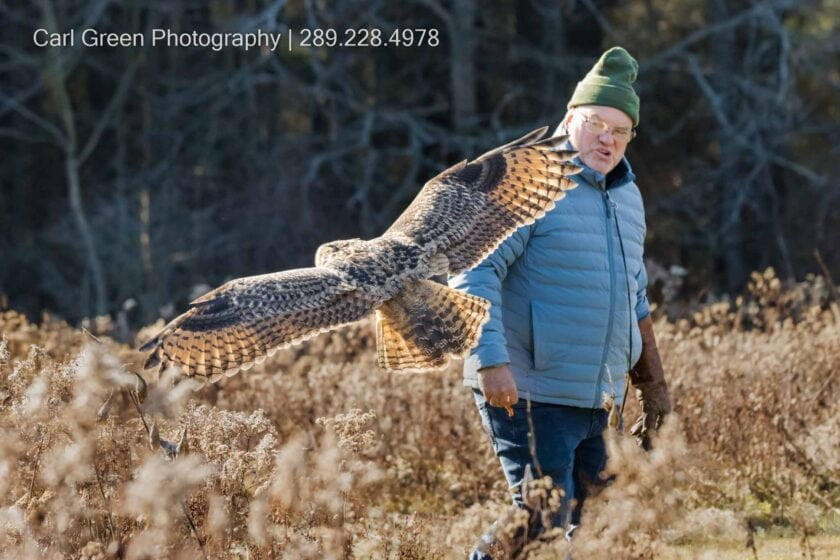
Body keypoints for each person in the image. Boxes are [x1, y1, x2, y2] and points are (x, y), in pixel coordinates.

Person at [448, 46, 672, 558]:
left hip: (598, 400)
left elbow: (634, 294)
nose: (607, 139)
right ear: (570, 119)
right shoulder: (525, 179)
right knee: (542, 518)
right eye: (596, 123)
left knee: (600, 523)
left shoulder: (627, 196)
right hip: (530, 391)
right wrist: (490, 362)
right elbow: (474, 269)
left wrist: (653, 387)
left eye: (620, 130)